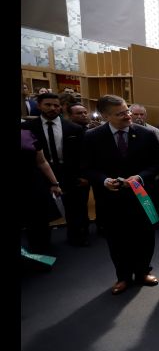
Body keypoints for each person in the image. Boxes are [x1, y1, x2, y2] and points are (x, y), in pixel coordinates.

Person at [82, 95, 159, 295]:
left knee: (144, 236)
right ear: (105, 115)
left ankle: (143, 271)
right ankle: (123, 277)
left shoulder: (146, 134)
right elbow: (86, 168)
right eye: (120, 114)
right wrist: (103, 180)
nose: (127, 115)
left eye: (127, 110)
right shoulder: (92, 137)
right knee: (117, 239)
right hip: (110, 199)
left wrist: (141, 177)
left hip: (141, 197)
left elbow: (158, 163)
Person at [21, 92, 88, 246]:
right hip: (39, 176)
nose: (53, 108)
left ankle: (77, 238)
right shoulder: (27, 127)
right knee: (39, 212)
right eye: (48, 105)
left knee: (75, 208)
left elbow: (82, 155)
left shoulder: (74, 128)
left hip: (70, 174)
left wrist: (84, 175)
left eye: (56, 105)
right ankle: (41, 244)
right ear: (39, 106)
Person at [21, 128, 62, 254]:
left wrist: (55, 183)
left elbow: (42, 162)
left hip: (33, 182)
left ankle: (41, 255)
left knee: (39, 222)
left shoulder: (27, 133)